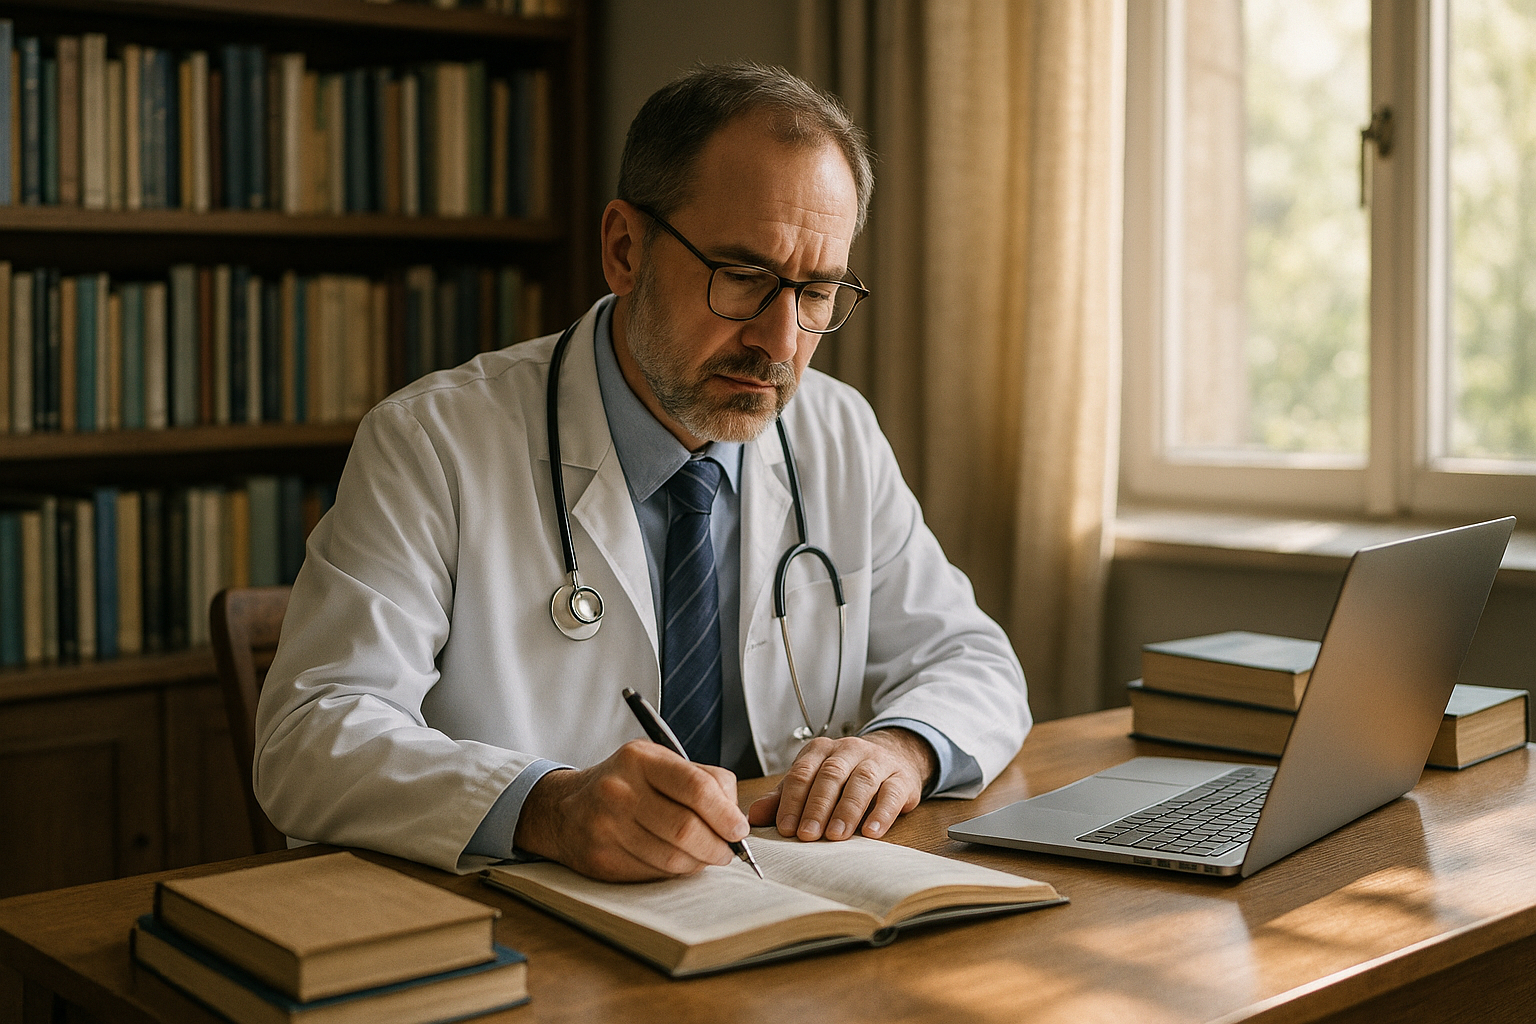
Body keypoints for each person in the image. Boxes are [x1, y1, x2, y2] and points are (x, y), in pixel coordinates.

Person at [253, 62, 1030, 882]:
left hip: (784, 906)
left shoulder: (836, 429)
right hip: (532, 934)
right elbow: (310, 735)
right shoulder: (432, 442)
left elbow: (973, 661)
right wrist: (547, 806)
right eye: (743, 277)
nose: (780, 341)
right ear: (625, 250)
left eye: (817, 291)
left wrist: (900, 749)